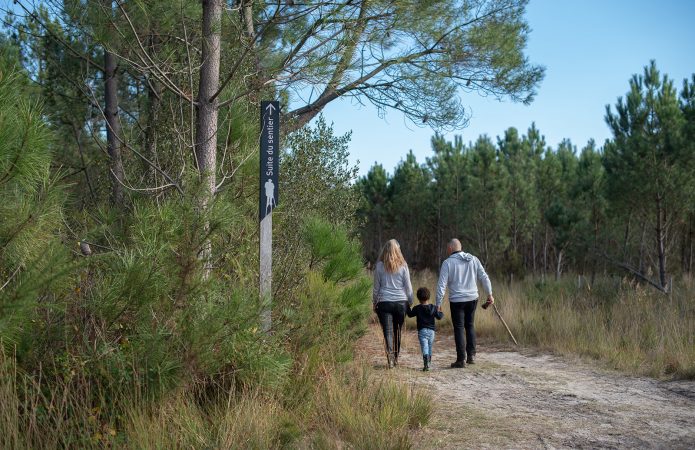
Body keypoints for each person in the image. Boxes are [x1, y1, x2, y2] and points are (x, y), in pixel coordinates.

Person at [435, 238, 494, 368]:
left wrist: (438, 303)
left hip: (457, 300)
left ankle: (461, 359)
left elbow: (441, 285)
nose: (446, 250)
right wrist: (489, 294)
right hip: (472, 298)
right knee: (470, 325)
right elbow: (484, 276)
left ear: (450, 248)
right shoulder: (473, 259)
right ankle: (471, 356)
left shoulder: (447, 263)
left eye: (447, 248)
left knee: (459, 328)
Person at [373, 239, 413, 368]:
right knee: (397, 331)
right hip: (401, 303)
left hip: (384, 302)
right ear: (398, 250)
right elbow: (408, 287)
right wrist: (410, 302)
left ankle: (390, 359)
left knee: (388, 332)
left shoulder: (379, 266)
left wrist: (374, 302)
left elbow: (376, 288)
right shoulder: (403, 265)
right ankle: (395, 358)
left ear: (385, 250)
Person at [406, 287, 443, 371]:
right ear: (429, 297)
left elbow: (410, 314)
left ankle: (426, 363)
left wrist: (407, 306)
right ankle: (428, 363)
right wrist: (440, 311)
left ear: (418, 298)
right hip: (431, 331)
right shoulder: (433, 307)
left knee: (424, 347)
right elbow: (439, 317)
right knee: (429, 346)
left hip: (422, 331)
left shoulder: (417, 308)